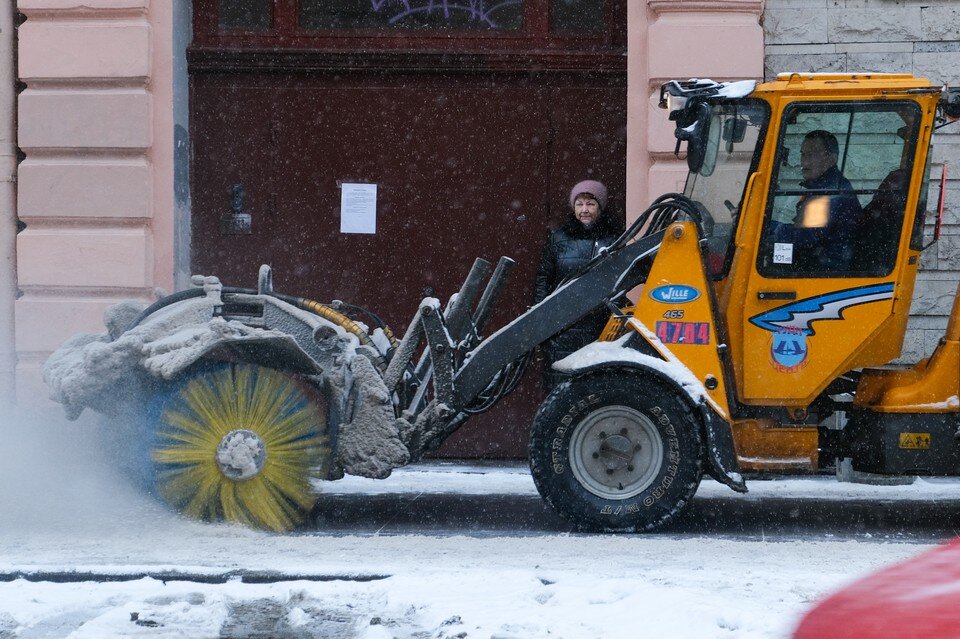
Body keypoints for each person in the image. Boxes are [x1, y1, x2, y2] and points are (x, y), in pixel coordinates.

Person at [533, 179, 623, 390]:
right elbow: (544, 278)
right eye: (579, 204)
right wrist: (540, 316)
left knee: (595, 386)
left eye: (590, 204)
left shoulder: (614, 239)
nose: (584, 210)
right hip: (563, 327)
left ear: (600, 207)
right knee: (561, 386)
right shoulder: (559, 238)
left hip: (599, 326)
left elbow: (620, 281)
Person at [786, 130, 862, 270]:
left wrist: (771, 231)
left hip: (827, 268)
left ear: (831, 159)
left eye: (812, 155)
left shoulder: (828, 194)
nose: (804, 162)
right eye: (803, 154)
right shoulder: (822, 186)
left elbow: (803, 240)